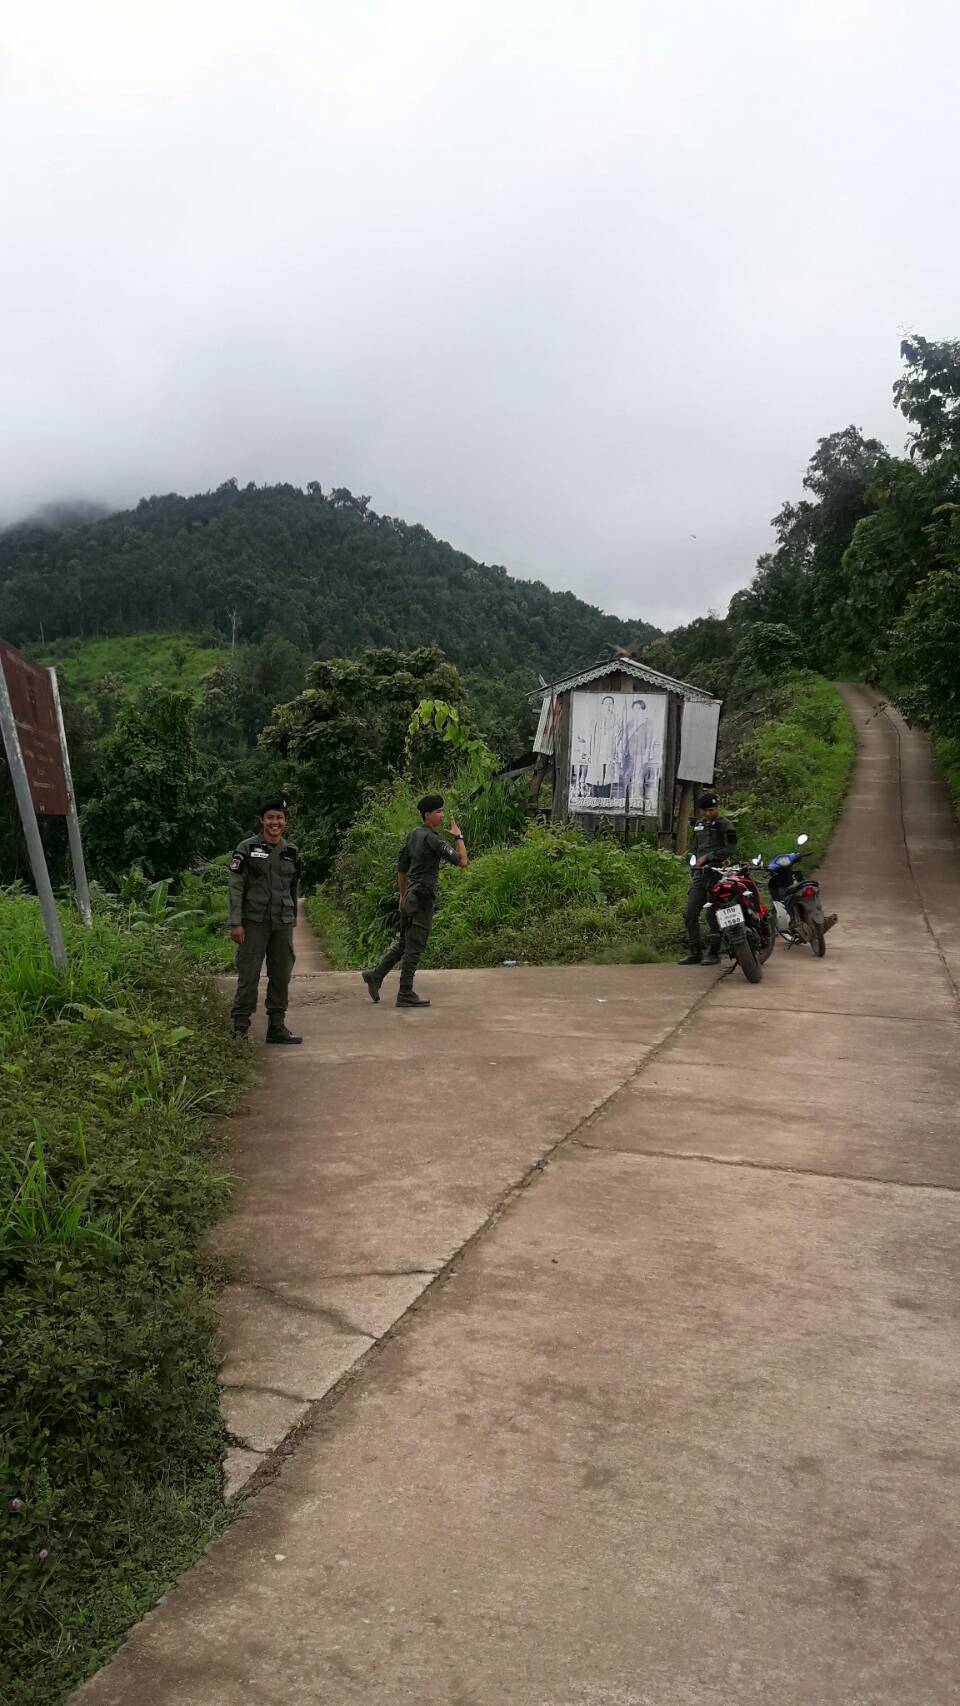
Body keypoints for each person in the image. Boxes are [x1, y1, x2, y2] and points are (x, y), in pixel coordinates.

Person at [361, 794, 468, 1008]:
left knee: (405, 942)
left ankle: (376, 975)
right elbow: (462, 861)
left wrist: (402, 896)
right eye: (438, 811)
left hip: (411, 896)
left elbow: (402, 868)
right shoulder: (432, 839)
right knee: (415, 945)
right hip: (422, 898)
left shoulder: (413, 835)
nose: (442, 815)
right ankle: (405, 992)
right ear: (427, 815)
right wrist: (459, 837)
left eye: (442, 810)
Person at [227, 796, 303, 1042]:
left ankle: (277, 1026)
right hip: (254, 921)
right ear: (262, 820)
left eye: (279, 818)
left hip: (282, 922)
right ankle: (240, 1027)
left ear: (285, 822)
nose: (275, 822)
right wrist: (236, 922)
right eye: (270, 817)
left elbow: (293, 888)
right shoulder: (246, 848)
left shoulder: (291, 852)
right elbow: (235, 886)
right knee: (249, 974)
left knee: (281, 974)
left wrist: (292, 918)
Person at [679, 790, 738, 966]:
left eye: (711, 810)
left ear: (716, 809)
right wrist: (693, 874)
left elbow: (730, 848)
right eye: (705, 811)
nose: (708, 813)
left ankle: (714, 952)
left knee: (712, 914)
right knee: (690, 913)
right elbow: (695, 850)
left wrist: (709, 857)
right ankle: (695, 951)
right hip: (700, 874)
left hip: (718, 873)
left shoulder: (725, 825)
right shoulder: (698, 825)